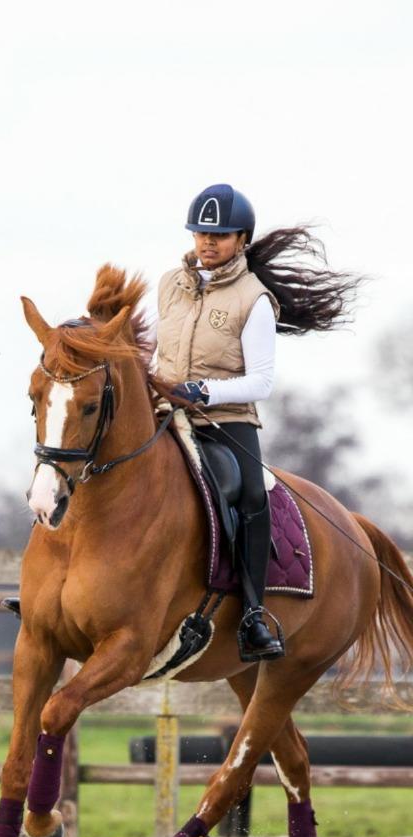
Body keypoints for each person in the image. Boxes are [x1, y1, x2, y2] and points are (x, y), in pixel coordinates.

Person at [154, 183, 361, 661]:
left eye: (220, 236)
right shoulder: (169, 285)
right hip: (165, 412)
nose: (207, 243)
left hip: (226, 419)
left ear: (241, 239)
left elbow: (261, 381)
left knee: (250, 493)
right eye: (201, 234)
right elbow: (159, 352)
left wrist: (204, 390)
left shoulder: (256, 299)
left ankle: (251, 614)